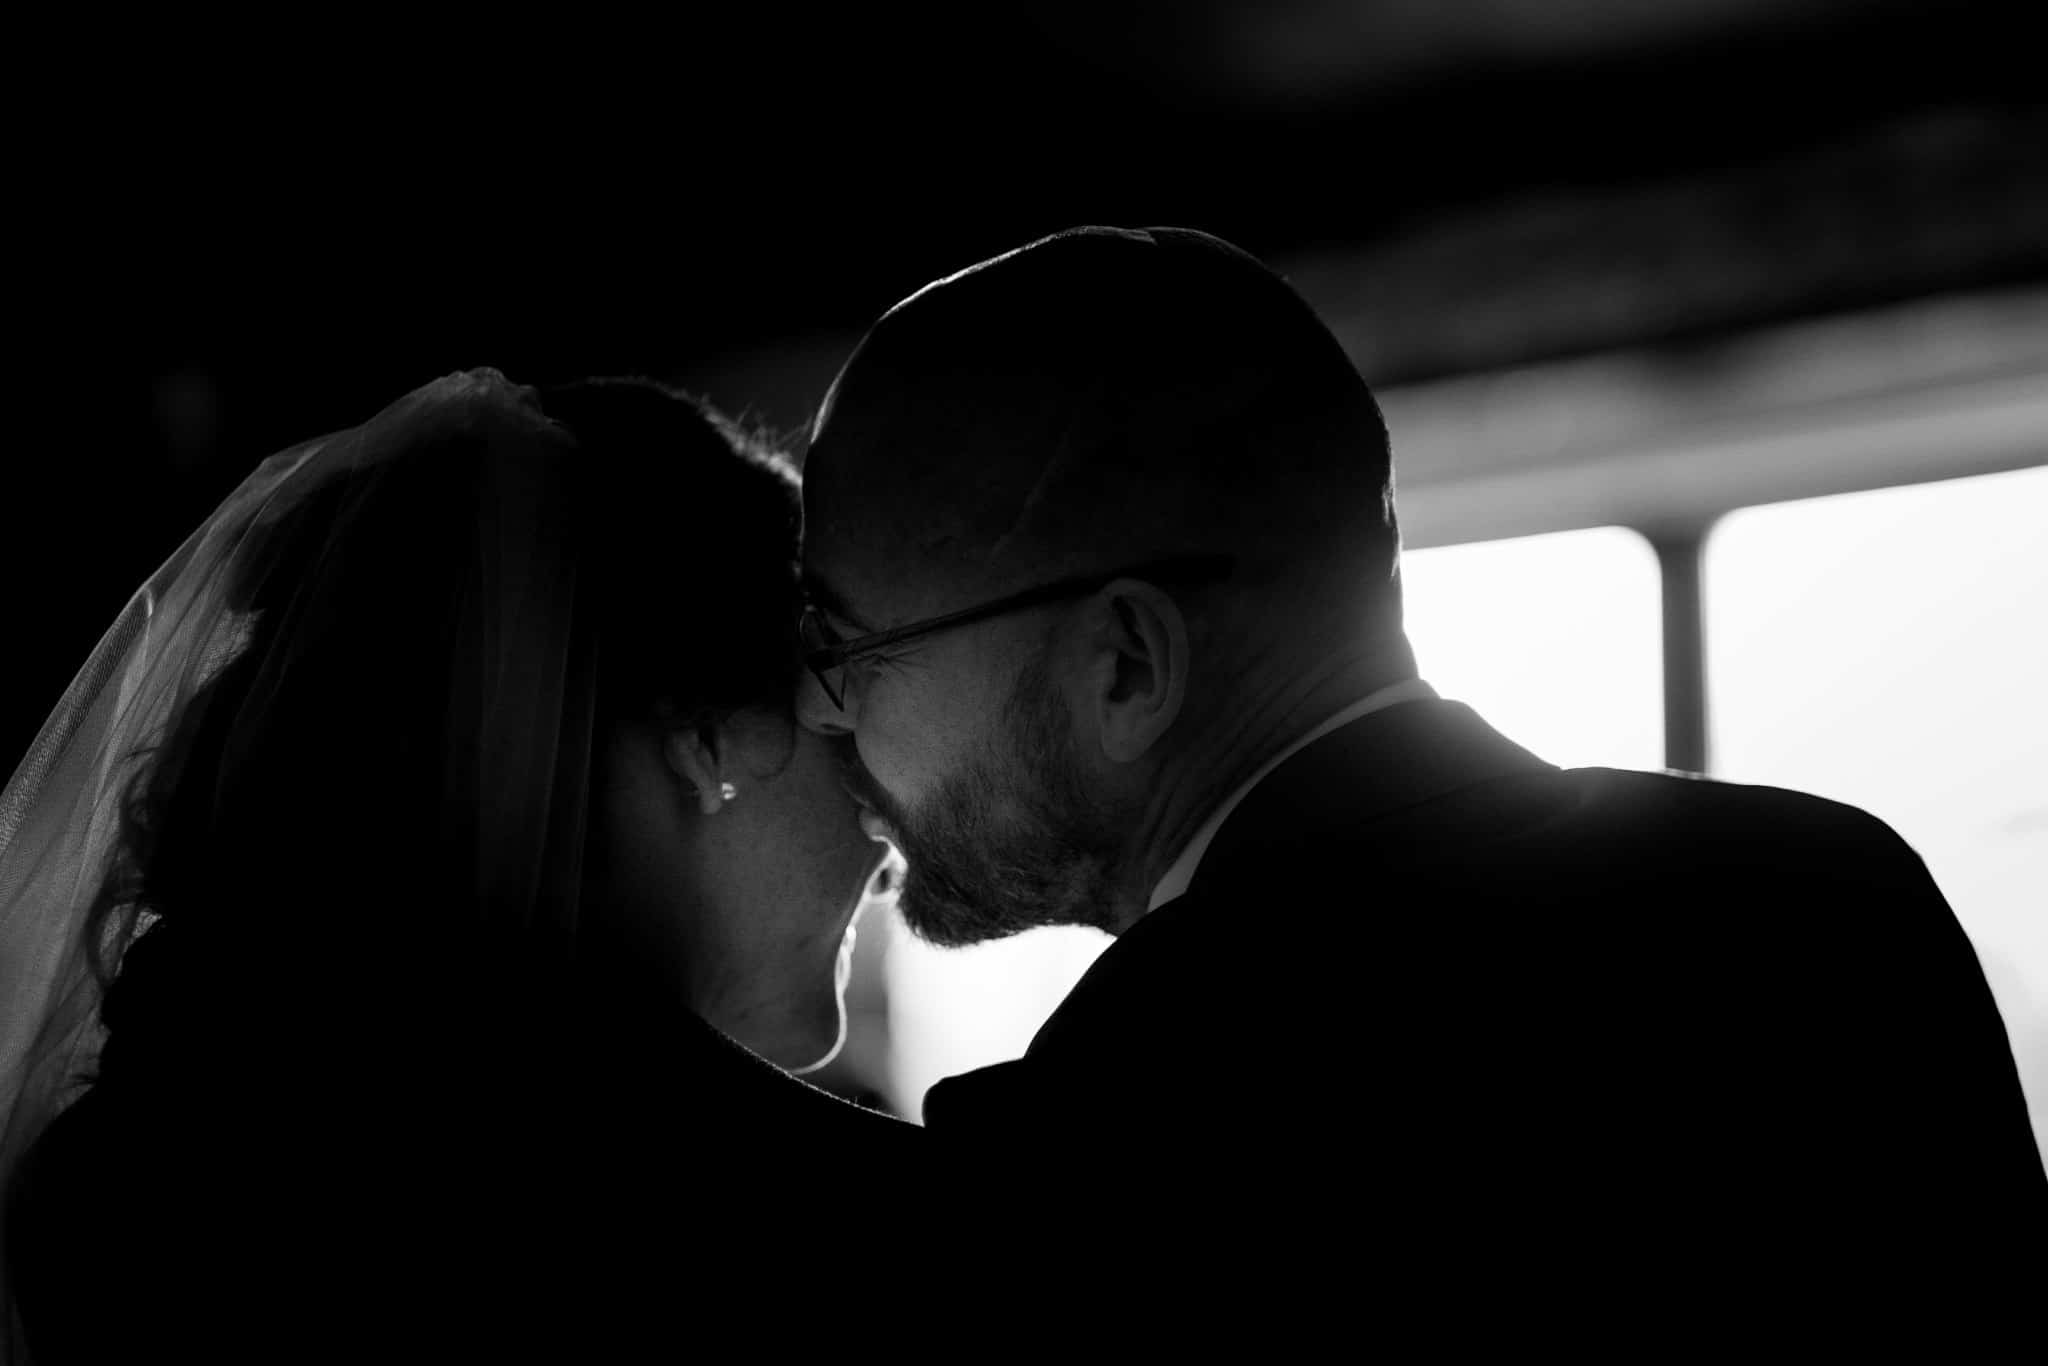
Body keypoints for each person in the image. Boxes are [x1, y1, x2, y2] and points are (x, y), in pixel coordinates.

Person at [795, 226, 2046, 1317]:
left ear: (1124, 664)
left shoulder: (1163, 1106)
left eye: (849, 652)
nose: (819, 713)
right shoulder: (1834, 893)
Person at [0, 370, 918, 1361]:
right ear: (707, 736)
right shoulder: (773, 1225)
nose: (888, 833)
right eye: (835, 703)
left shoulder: (142, 1144)